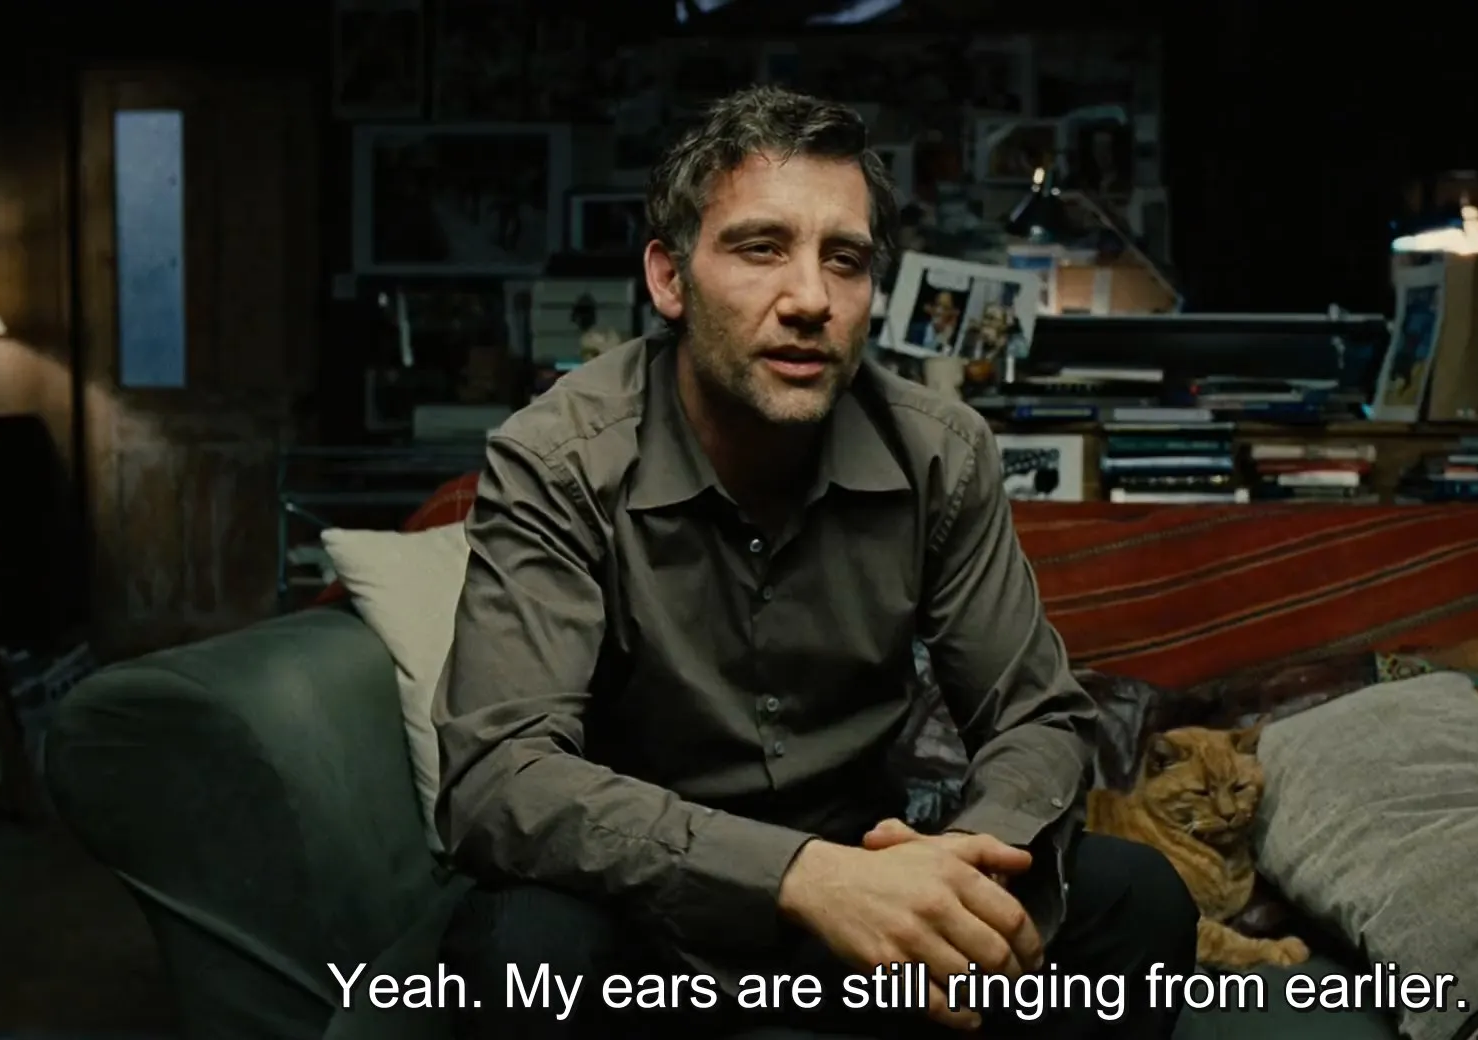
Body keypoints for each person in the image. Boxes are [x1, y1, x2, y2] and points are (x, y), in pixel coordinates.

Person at [433, 85, 1196, 1040]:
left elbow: (1035, 715)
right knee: (518, 951)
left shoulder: (939, 452)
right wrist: (795, 876)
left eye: (846, 260)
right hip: (643, 911)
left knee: (1137, 900)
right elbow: (499, 774)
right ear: (669, 279)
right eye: (761, 248)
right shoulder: (559, 459)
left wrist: (963, 862)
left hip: (867, 908)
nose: (810, 300)